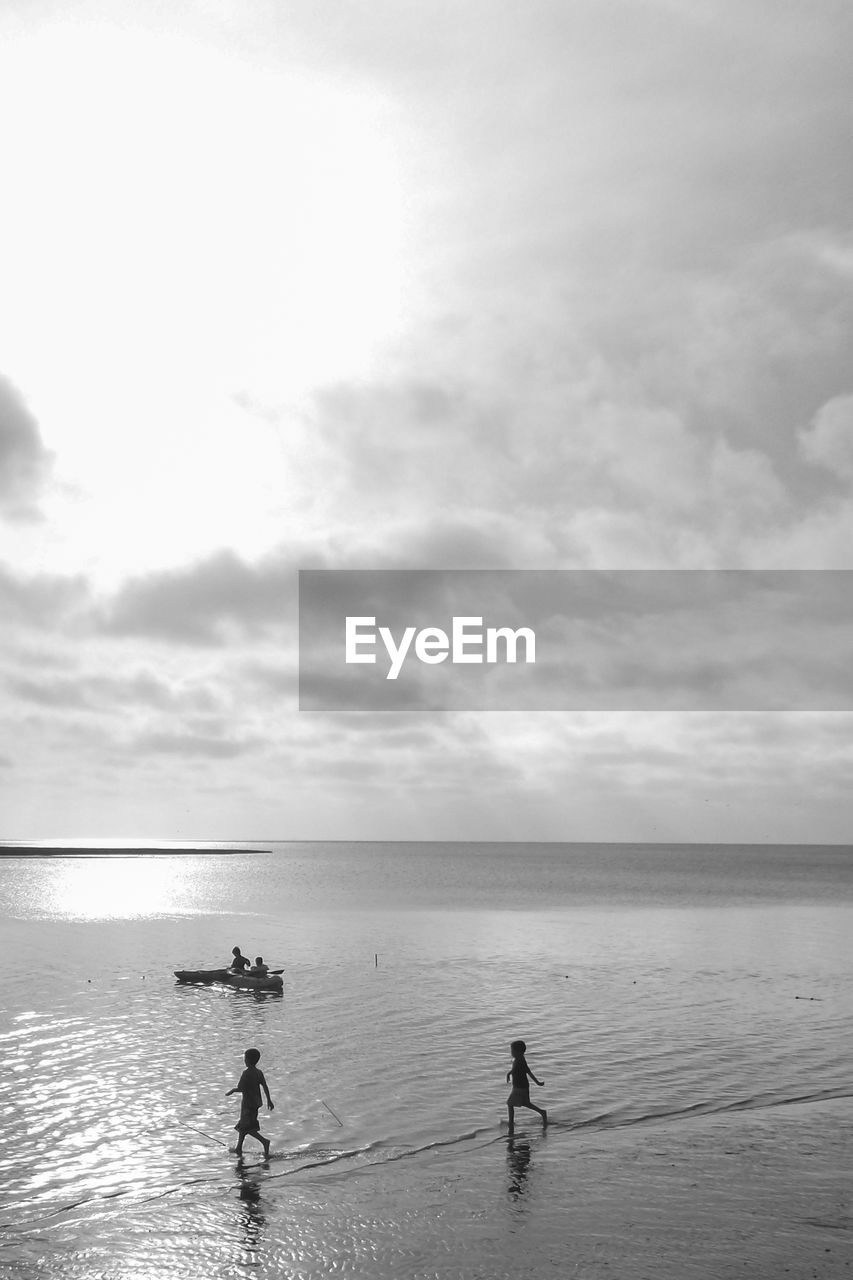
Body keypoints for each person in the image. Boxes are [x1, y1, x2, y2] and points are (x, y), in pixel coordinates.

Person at [226, 1047, 274, 1158]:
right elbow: (265, 1086)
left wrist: (233, 1090)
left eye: (245, 1058)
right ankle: (239, 1148)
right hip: (256, 1103)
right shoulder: (259, 1072)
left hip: (247, 1104)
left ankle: (264, 1142)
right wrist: (269, 1100)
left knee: (246, 1128)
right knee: (244, 1126)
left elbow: (240, 1088)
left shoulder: (246, 1073)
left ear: (247, 1060)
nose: (244, 1060)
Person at [505, 1039, 547, 1133]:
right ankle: (542, 1112)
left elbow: (528, 1072)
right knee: (525, 1103)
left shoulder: (521, 1061)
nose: (511, 1052)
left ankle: (511, 1123)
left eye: (512, 1051)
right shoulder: (517, 1060)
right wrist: (509, 1073)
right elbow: (515, 1070)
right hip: (519, 1086)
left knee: (510, 1103)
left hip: (520, 1087)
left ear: (519, 1052)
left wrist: (537, 1082)